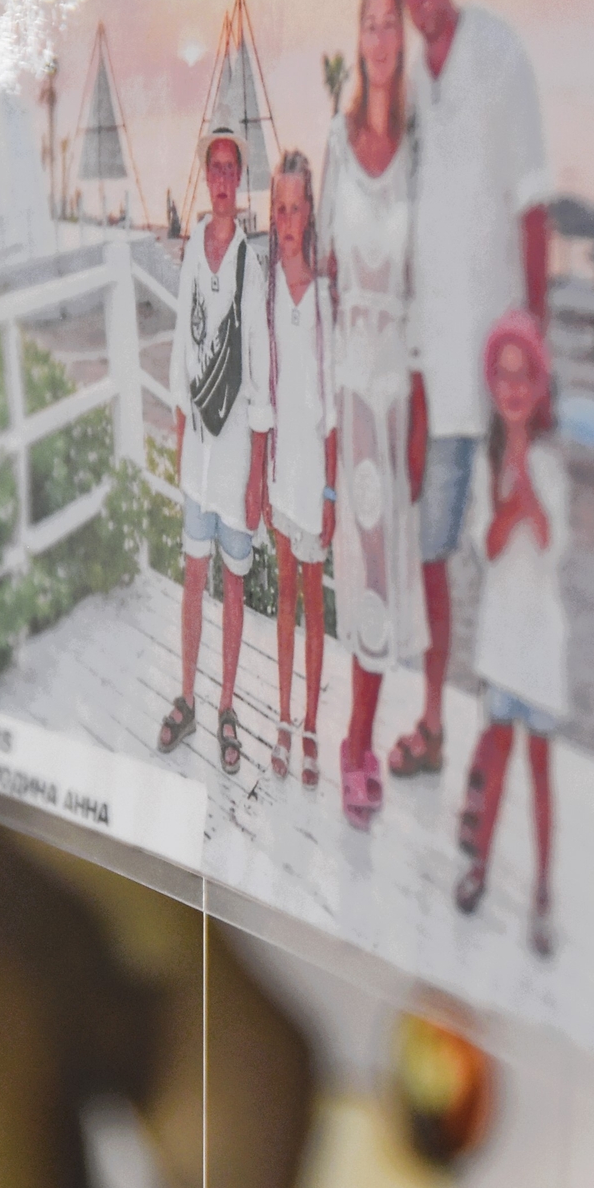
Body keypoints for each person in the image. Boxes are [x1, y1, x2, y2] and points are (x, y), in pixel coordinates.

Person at [392, 0, 554, 781]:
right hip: (436, 378)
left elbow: (533, 206)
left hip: (498, 382)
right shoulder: (415, 85)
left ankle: (498, 746)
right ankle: (431, 724)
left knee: (505, 568)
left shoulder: (499, 53)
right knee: (431, 558)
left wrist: (538, 355)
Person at [321, 0, 429, 829]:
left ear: (404, 38)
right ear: (358, 39)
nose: (382, 38)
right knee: (366, 566)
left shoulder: (421, 152)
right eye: (371, 24)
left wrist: (421, 411)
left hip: (399, 395)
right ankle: (356, 739)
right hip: (352, 389)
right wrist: (325, 416)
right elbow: (325, 279)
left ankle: (359, 734)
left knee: (388, 573)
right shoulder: (337, 139)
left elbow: (428, 288)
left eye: (392, 24)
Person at [453, 311, 568, 958]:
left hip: (541, 647)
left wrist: (530, 488)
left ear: (540, 385)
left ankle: (544, 888)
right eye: (504, 375)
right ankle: (480, 866)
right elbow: (489, 548)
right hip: (501, 646)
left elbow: (552, 549)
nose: (514, 388)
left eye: (525, 376)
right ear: (492, 383)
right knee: (495, 759)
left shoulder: (548, 463)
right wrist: (511, 492)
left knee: (540, 772)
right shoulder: (484, 461)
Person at [163, 105, 272, 772]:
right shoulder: (192, 254)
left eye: (233, 169)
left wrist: (258, 474)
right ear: (206, 176)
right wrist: (180, 434)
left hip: (234, 463)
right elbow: (181, 351)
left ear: (241, 179)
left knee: (233, 585)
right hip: (198, 456)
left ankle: (227, 706)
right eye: (217, 168)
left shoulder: (249, 267)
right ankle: (187, 696)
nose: (225, 179)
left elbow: (258, 377)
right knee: (192, 576)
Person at [263, 149, 338, 784]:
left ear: (311, 211)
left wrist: (333, 491)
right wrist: (261, 476)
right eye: (279, 209)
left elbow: (332, 403)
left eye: (296, 208)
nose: (287, 220)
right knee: (283, 595)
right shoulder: (266, 290)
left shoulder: (324, 297)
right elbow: (265, 389)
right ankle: (283, 718)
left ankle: (312, 725)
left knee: (315, 603)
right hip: (280, 472)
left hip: (315, 478)